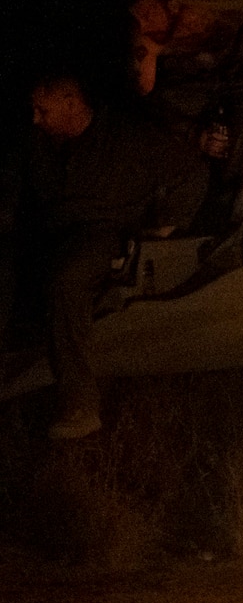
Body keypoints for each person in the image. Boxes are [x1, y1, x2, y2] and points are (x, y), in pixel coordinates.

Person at [27, 74, 206, 438]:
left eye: (42, 110)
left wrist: (166, 225)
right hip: (49, 229)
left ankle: (80, 403)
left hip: (103, 231)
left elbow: (192, 172)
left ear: (70, 102)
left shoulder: (127, 139)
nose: (35, 118)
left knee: (68, 278)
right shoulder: (40, 144)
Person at [128, 0, 243, 231]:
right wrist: (195, 135)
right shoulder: (152, 37)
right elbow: (146, 90)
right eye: (139, 17)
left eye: (148, 14)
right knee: (167, 121)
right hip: (194, 81)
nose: (144, 23)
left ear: (169, 1)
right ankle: (171, 222)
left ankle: (232, 224)